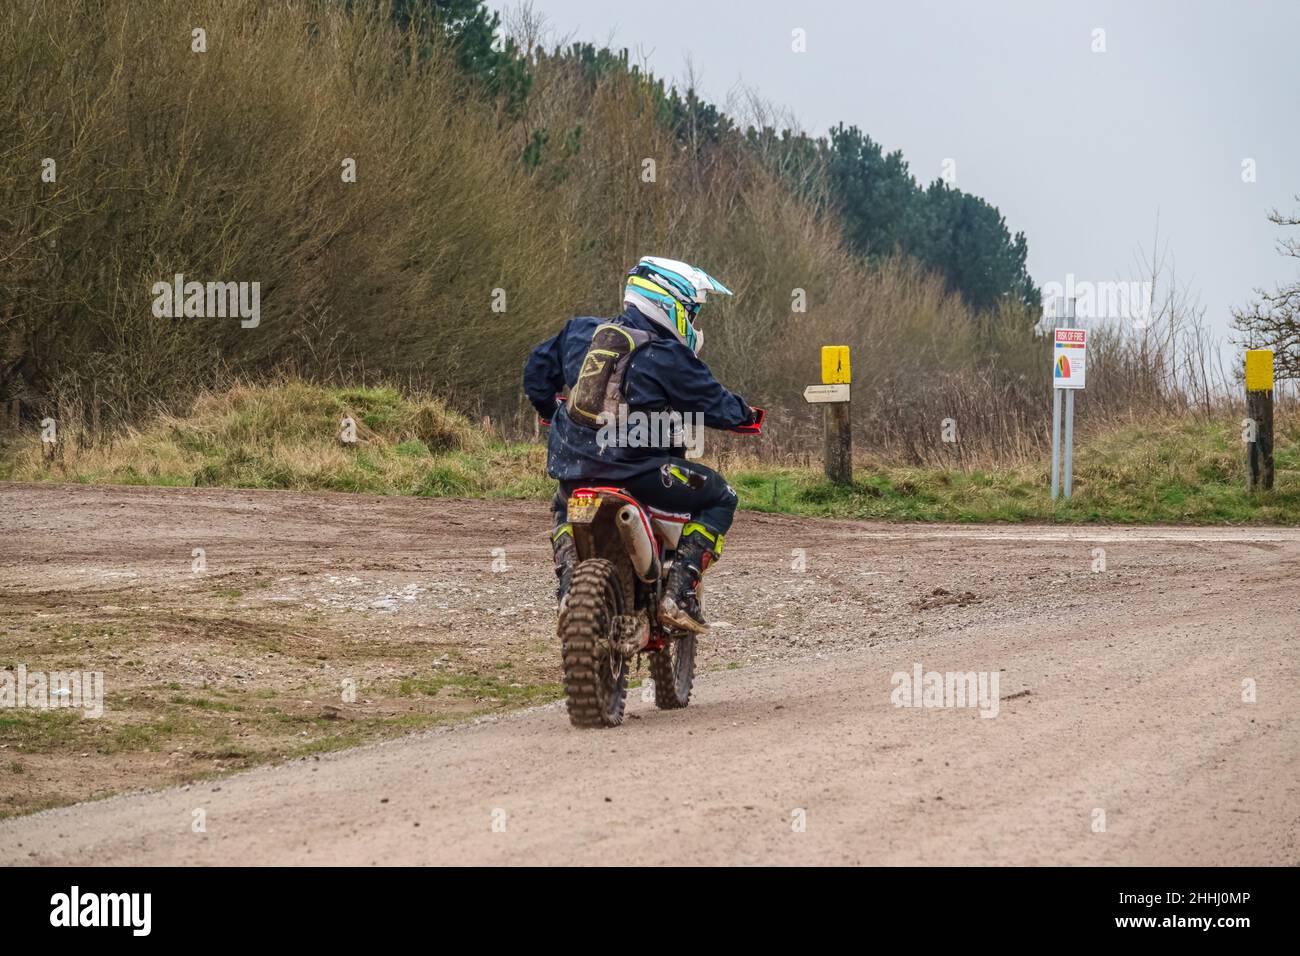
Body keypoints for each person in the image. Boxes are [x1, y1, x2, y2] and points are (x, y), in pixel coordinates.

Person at [522, 256, 763, 633]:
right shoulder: (667, 354)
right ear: (671, 304)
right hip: (640, 473)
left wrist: (549, 410)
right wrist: (747, 416)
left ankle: (569, 586)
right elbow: (714, 403)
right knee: (721, 497)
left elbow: (536, 372)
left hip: (573, 468)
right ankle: (679, 592)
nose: (694, 323)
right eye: (693, 312)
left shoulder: (580, 332)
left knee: (561, 505)